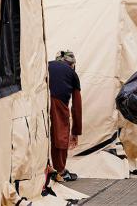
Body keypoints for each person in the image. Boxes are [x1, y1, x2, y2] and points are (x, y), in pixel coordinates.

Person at [48, 50, 82, 183]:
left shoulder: (47, 64)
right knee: (61, 134)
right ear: (72, 64)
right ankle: (60, 170)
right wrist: (75, 131)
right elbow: (77, 106)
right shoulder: (72, 74)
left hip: (40, 99)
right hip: (58, 102)